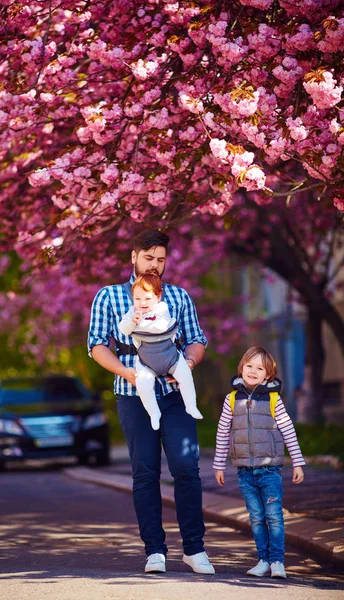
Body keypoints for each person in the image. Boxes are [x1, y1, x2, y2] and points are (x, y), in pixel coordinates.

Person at [88, 229, 214, 575]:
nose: (155, 265)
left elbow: (197, 340)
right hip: (132, 395)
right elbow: (97, 345)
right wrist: (127, 374)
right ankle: (155, 551)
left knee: (187, 468)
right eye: (149, 258)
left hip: (174, 396)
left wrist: (187, 364)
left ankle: (194, 548)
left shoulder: (178, 296)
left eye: (161, 259)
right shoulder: (110, 297)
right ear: (133, 257)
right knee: (145, 472)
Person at [213, 346, 305, 579]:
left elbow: (288, 429)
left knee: (273, 515)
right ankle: (262, 560)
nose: (253, 371)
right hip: (245, 471)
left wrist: (297, 461)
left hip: (269, 470)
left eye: (259, 368)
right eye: (249, 366)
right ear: (241, 368)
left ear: (268, 375)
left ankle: (277, 561)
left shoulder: (274, 399)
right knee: (256, 516)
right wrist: (218, 465)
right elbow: (223, 432)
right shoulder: (231, 399)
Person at [117, 272, 203, 430]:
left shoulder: (162, 309)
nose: (142, 303)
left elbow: (160, 327)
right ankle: (153, 413)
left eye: (147, 298)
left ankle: (191, 405)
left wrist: (139, 325)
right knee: (143, 384)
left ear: (158, 297)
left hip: (170, 357)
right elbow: (123, 329)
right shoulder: (132, 313)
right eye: (137, 299)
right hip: (146, 360)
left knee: (185, 376)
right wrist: (131, 322)